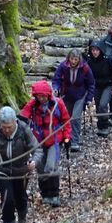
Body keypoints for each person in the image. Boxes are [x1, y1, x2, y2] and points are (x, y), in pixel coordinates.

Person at [19, 80, 72, 208]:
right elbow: (22, 117)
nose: (41, 98)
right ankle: (45, 194)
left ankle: (54, 194)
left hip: (54, 140)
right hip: (38, 142)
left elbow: (66, 121)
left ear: (48, 95)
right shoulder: (32, 105)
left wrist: (67, 137)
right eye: (38, 96)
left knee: (51, 167)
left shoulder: (58, 103)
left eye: (43, 96)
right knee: (41, 169)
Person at [52, 48, 95, 152]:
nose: (73, 61)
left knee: (75, 117)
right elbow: (56, 79)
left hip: (80, 95)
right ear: (68, 58)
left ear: (79, 59)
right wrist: (55, 88)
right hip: (66, 95)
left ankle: (75, 140)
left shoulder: (85, 68)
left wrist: (89, 98)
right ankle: (67, 137)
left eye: (75, 59)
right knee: (66, 117)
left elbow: (91, 83)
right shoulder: (63, 66)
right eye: (72, 59)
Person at [86, 40, 112, 137]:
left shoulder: (107, 59)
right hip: (96, 86)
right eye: (93, 50)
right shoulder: (89, 61)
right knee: (98, 106)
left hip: (107, 85)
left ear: (100, 50)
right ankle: (101, 125)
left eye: (96, 50)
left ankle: (104, 125)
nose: (94, 52)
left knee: (103, 104)